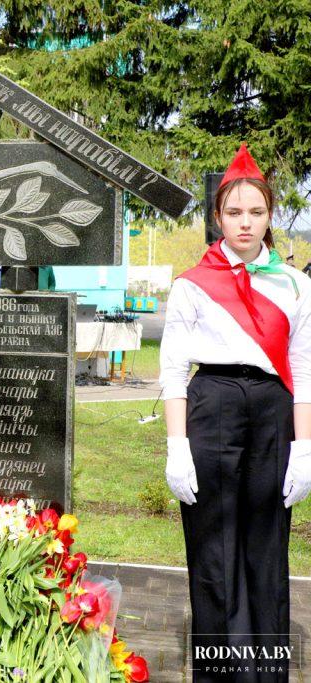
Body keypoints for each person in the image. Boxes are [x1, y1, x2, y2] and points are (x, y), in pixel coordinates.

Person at [160, 143, 311, 681]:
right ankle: (219, 675)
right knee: (212, 549)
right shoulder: (191, 285)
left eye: (256, 211)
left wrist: (305, 449)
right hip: (212, 407)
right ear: (217, 216)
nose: (245, 223)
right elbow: (174, 370)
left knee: (267, 550)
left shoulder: (295, 284)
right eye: (233, 212)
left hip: (274, 411)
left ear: (270, 216)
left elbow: (304, 368)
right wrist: (177, 448)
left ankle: (267, 674)